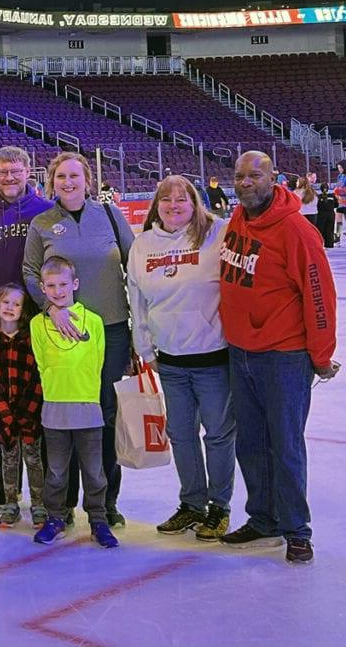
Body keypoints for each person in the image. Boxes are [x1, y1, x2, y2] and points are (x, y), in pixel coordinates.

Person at [217, 151, 338, 565]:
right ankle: (263, 518)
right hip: (241, 351)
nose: (245, 181)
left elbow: (319, 296)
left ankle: (296, 530)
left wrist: (321, 355)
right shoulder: (238, 218)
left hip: (283, 356)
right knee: (251, 444)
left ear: (274, 179)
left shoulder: (296, 230)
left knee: (285, 446)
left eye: (255, 175)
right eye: (239, 175)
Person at [22, 152, 134, 528]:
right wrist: (50, 309)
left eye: (74, 176)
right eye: (60, 177)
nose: (68, 182)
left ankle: (105, 503)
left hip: (112, 331)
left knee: (105, 417)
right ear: (51, 182)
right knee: (63, 419)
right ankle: (63, 503)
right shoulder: (42, 223)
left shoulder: (111, 216)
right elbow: (30, 270)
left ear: (87, 180)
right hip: (61, 333)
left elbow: (133, 264)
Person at [127, 176, 234, 542]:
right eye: (166, 200)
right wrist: (144, 348)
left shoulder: (217, 233)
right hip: (170, 359)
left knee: (218, 435)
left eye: (181, 200)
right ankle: (192, 503)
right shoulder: (142, 245)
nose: (173, 206)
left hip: (213, 357)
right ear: (156, 205)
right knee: (181, 434)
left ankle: (219, 506)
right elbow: (137, 300)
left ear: (195, 203)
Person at [0, 147, 53, 509]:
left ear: (28, 170)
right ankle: (6, 486)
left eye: (15, 171)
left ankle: (44, 491)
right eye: (2, 172)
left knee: (37, 405)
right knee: (1, 408)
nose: (9, 178)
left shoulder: (45, 211)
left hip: (38, 324)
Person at [29, 256, 118, 549]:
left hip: (87, 406)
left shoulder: (92, 321)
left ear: (75, 284)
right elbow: (43, 362)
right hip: (55, 407)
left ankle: (99, 520)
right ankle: (55, 517)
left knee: (94, 471)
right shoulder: (38, 324)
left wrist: (86, 393)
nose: (57, 290)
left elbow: (98, 361)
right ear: (42, 287)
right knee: (55, 471)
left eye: (63, 284)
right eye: (51, 286)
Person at [0, 284, 45, 529]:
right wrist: (4, 411)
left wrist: (27, 409)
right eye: (5, 302)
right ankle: (10, 503)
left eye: (16, 304)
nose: (10, 308)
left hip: (29, 411)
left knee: (34, 458)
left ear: (24, 310)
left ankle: (39, 503)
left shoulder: (30, 337)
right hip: (3, 412)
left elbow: (38, 375)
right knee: (8, 458)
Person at [315, 183, 337, 249]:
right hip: (331, 214)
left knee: (321, 229)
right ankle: (330, 244)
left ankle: (320, 243)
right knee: (330, 229)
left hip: (321, 214)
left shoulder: (318, 197)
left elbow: (316, 205)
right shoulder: (333, 196)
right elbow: (336, 205)